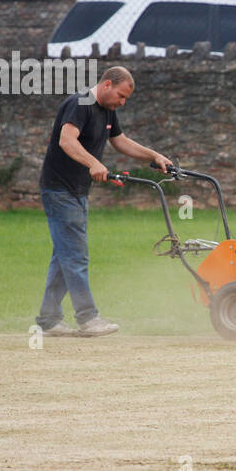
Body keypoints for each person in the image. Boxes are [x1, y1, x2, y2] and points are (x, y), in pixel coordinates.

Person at [34, 66, 172, 337]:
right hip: (59, 189)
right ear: (107, 84)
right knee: (75, 254)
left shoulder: (108, 110)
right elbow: (66, 140)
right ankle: (88, 318)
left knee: (64, 256)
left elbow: (120, 141)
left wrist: (154, 156)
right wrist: (94, 162)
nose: (122, 102)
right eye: (120, 96)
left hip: (77, 190)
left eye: (125, 99)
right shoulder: (81, 102)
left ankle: (49, 319)